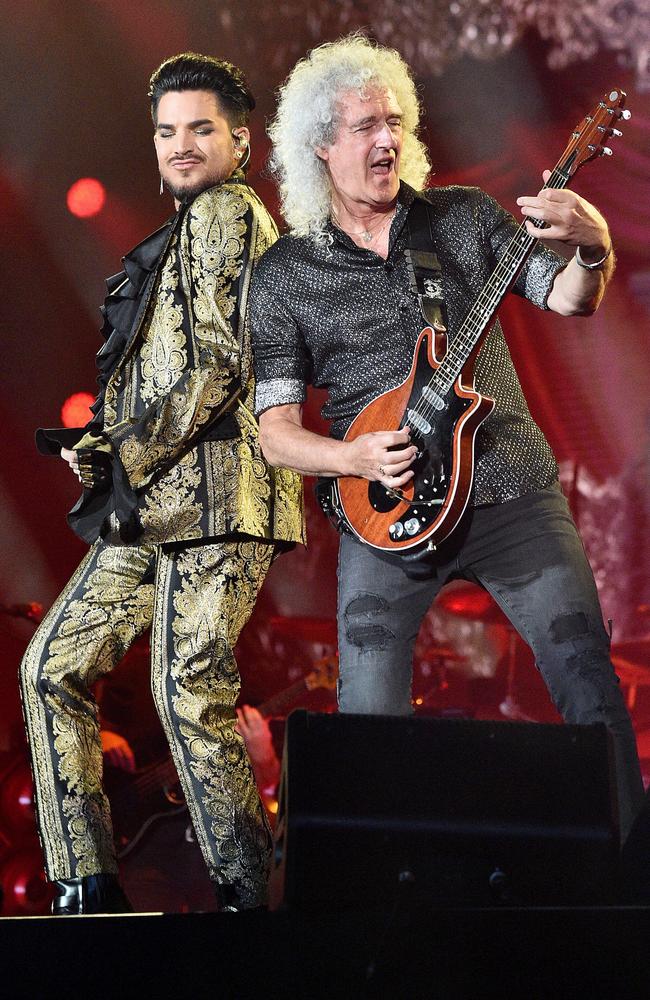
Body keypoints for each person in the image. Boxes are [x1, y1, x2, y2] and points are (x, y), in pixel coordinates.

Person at [249, 35, 644, 843]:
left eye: (394, 121)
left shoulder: (462, 218)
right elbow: (274, 434)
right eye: (363, 125)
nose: (386, 139)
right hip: (383, 514)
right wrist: (351, 457)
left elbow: (568, 299)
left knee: (588, 685)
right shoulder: (287, 273)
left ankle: (631, 879)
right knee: (367, 729)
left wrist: (594, 244)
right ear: (321, 145)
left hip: (509, 491)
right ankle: (384, 917)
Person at [19, 52, 304, 915]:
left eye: (201, 129)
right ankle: (85, 887)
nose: (181, 146)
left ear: (240, 141)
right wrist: (102, 449)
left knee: (188, 692)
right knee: (51, 670)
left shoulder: (225, 212)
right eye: (167, 131)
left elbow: (221, 366)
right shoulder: (183, 227)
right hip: (153, 503)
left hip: (218, 498)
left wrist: (124, 452)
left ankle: (253, 905)